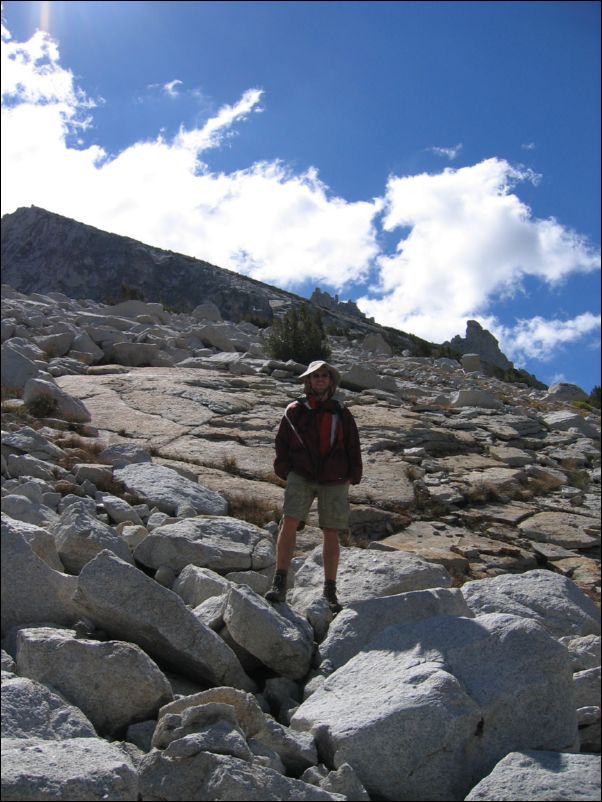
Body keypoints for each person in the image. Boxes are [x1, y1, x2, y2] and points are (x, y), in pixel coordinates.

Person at [265, 360, 363, 613]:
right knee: (289, 522)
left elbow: (353, 444)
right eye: (316, 376)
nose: (320, 379)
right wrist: (285, 469)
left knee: (331, 532)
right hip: (302, 475)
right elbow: (281, 442)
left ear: (330, 381)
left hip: (335, 477)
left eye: (324, 376)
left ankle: (329, 589)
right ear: (308, 381)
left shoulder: (341, 412)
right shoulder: (295, 410)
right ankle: (280, 581)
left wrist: (354, 473)